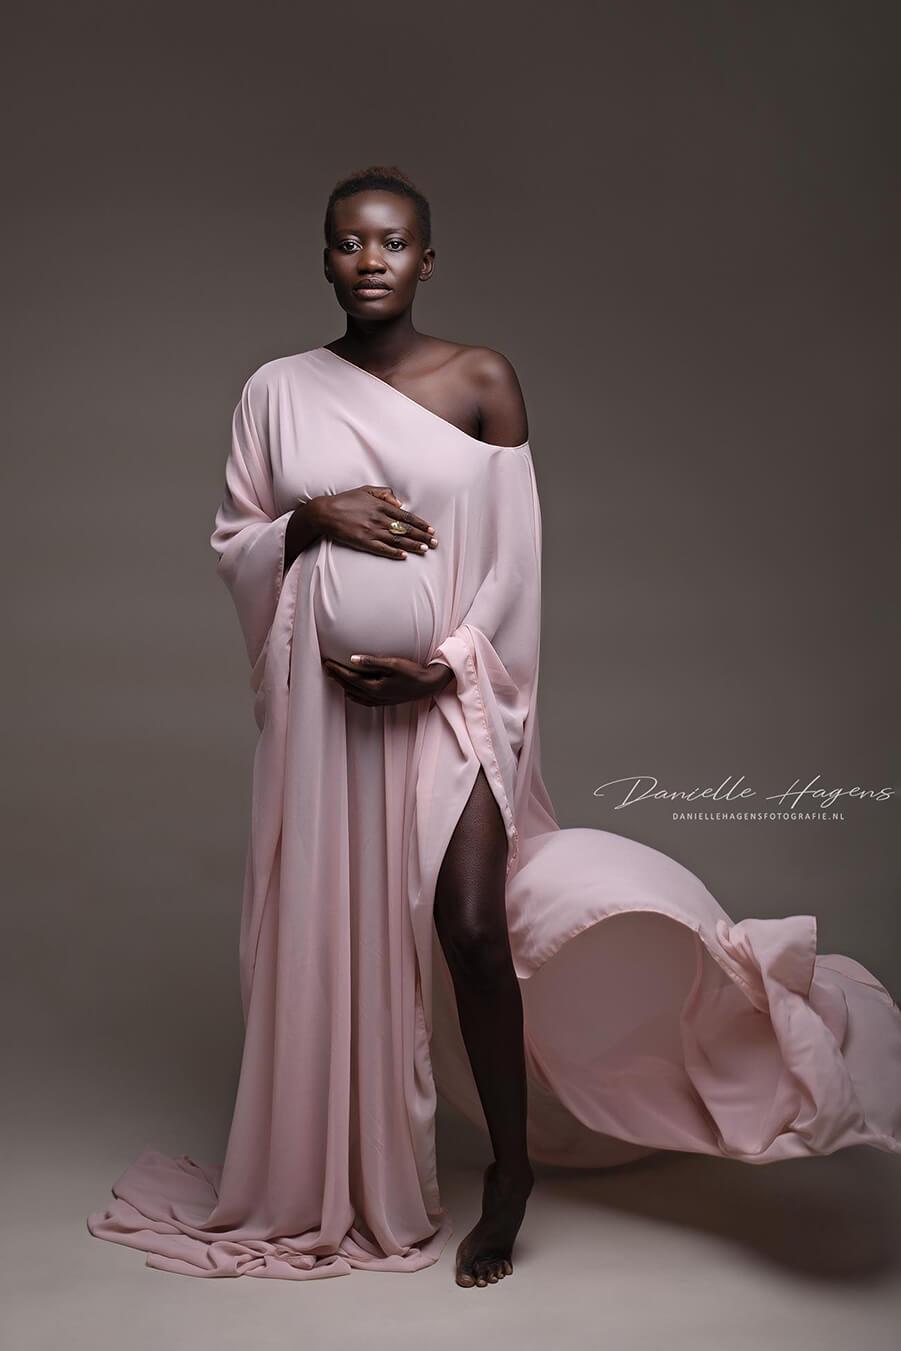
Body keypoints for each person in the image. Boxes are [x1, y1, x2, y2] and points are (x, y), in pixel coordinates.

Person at [86, 164, 901, 1288]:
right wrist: (310, 520)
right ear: (323, 257)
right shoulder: (274, 390)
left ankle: (511, 1171)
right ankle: (345, 1168)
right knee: (340, 930)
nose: (369, 260)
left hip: (449, 704)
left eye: (392, 242)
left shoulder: (480, 379)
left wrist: (436, 673)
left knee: (471, 926)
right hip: (326, 723)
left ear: (428, 258)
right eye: (347, 242)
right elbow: (235, 543)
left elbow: (514, 573)